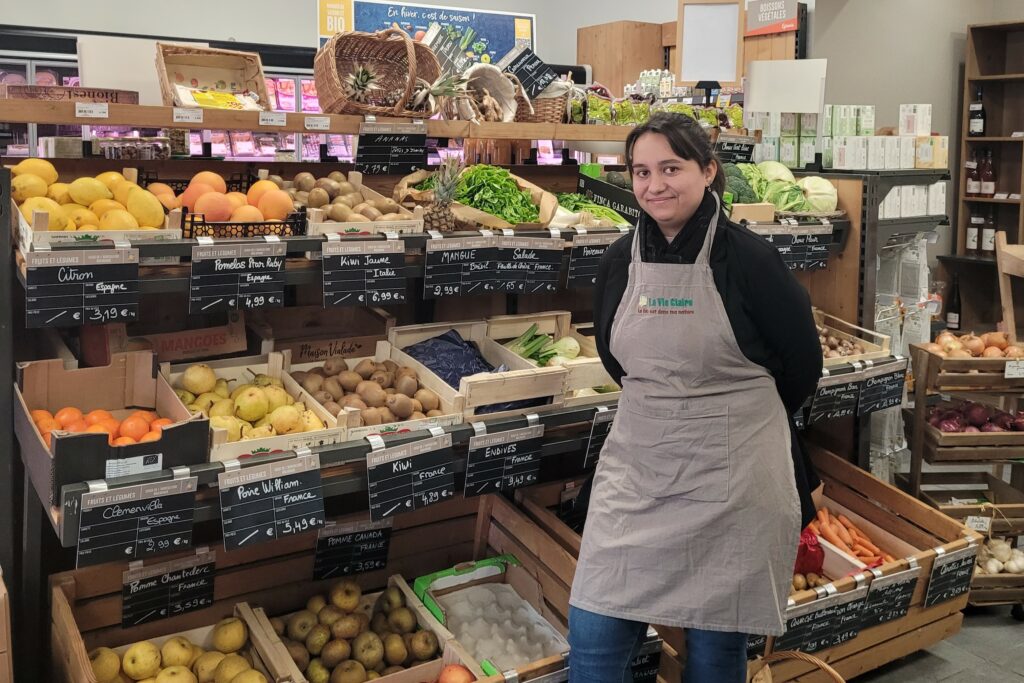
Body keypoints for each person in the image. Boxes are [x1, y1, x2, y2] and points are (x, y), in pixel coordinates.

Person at [568, 112, 824, 683]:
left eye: (670, 168)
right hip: (640, 473)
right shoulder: (618, 261)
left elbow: (803, 365)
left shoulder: (752, 260)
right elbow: (616, 360)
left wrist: (726, 412)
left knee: (714, 653)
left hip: (731, 481)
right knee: (594, 633)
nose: (654, 185)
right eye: (640, 171)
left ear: (708, 171)